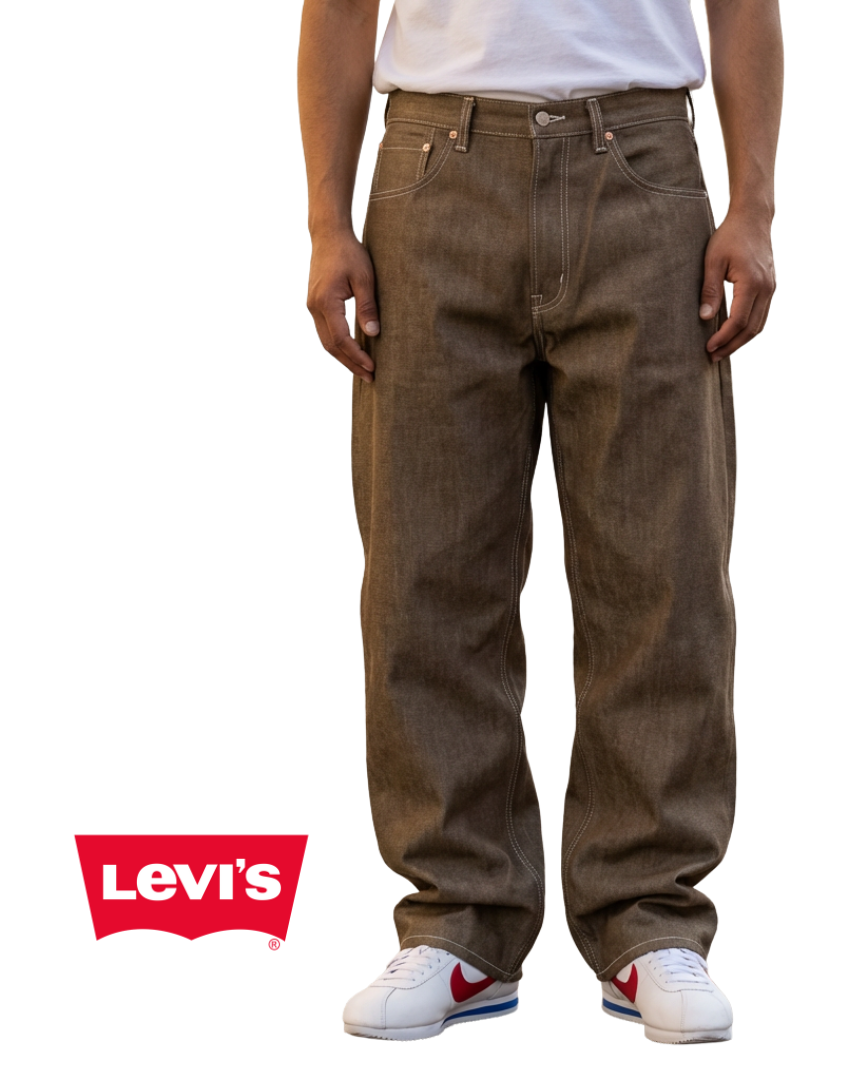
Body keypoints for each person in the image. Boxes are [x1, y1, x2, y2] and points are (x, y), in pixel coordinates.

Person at [298, 0, 781, 1044]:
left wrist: (754, 208)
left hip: (643, 168)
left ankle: (651, 921)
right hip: (433, 171)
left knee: (664, 571)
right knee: (426, 573)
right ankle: (459, 922)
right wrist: (327, 224)